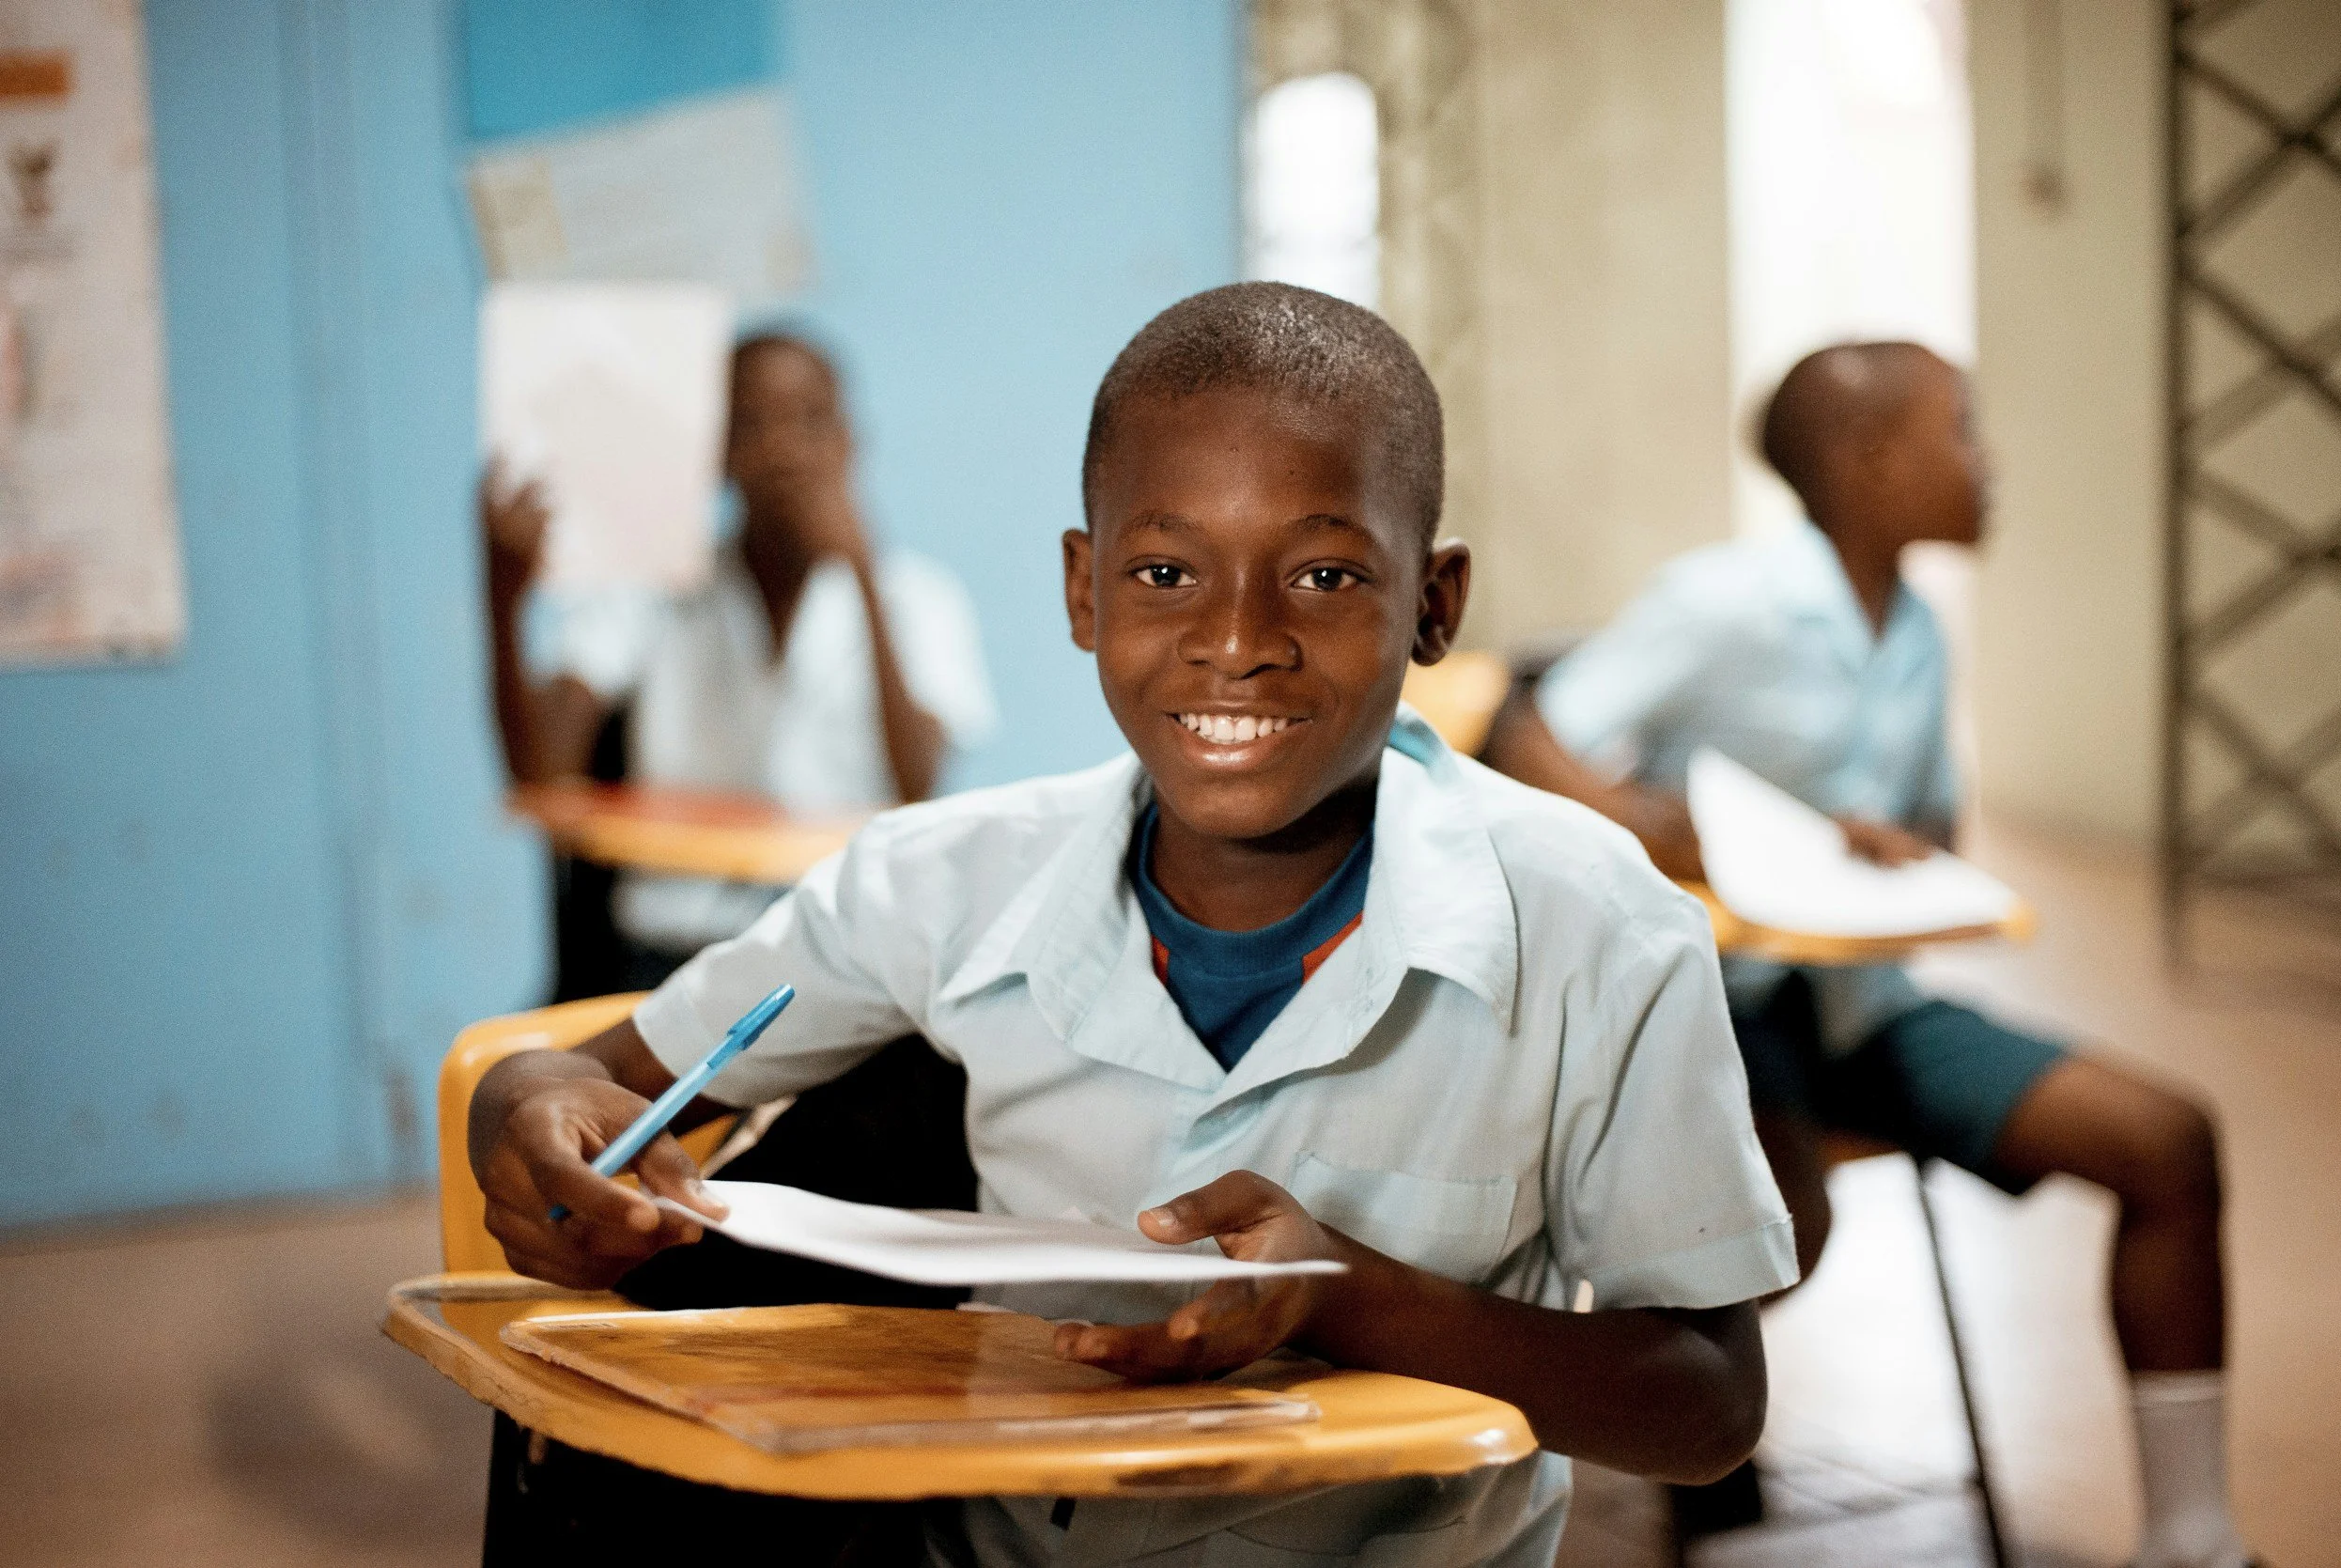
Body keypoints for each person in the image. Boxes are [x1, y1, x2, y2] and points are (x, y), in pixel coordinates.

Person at [467, 282, 1799, 1567]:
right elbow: (589, 1077)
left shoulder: (1598, 928)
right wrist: (527, 1116)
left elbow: (1707, 1407)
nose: (1238, 640)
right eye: (1166, 569)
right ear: (1083, 590)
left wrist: (1359, 1297)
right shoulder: (942, 880)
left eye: (1327, 575)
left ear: (1435, 604)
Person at [1482, 342, 2255, 1568]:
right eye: (1963, 430)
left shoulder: (1921, 632)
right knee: (1777, 1221)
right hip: (1722, 1009)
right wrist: (1660, 828)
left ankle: (2194, 1540)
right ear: (1868, 460)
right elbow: (1528, 732)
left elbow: (1932, 825)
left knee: (2168, 1142)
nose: (1986, 462)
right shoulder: (1723, 602)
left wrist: (1891, 846)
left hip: (1862, 1000)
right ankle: (1705, 1471)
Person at [481, 332, 996, 979]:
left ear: (848, 443)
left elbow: (918, 782)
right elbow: (540, 774)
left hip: (845, 954)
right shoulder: (655, 589)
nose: (783, 449)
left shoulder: (918, 598)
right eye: (753, 423)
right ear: (718, 453)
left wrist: (862, 572)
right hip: (670, 952)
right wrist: (503, 599)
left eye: (810, 421)